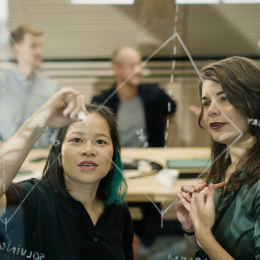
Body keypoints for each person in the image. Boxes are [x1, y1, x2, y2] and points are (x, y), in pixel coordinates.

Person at [0, 88, 134, 260]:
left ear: (113, 159)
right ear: (59, 157)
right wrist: (37, 123)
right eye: (76, 140)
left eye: (100, 141)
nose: (89, 150)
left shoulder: (118, 209)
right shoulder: (35, 198)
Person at [174, 56, 260, 260]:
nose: (211, 110)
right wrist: (191, 228)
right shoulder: (223, 169)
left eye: (225, 98)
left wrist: (204, 234)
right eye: (206, 102)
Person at [92, 46, 176, 148]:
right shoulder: (102, 102)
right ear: (116, 69)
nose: (138, 70)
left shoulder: (155, 95)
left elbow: (171, 109)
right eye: (131, 66)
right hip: (116, 159)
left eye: (139, 64)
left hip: (149, 159)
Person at [0, 25, 58, 148]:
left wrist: (57, 142)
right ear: (17, 49)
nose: (39, 51)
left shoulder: (51, 87)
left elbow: (58, 125)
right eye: (33, 46)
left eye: (41, 46)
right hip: (7, 158)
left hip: (41, 159)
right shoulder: (2, 84)